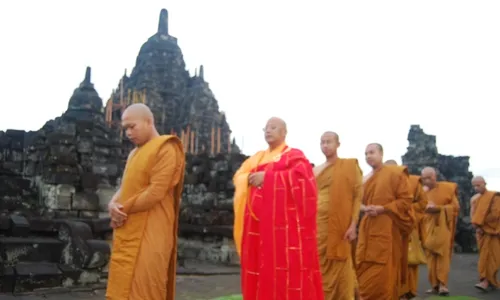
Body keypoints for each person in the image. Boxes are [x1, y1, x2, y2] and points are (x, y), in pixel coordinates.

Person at [232, 117, 323, 300]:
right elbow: (239, 177)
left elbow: (305, 183)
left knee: (284, 273)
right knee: (258, 269)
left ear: (284, 132)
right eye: (266, 128)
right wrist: (250, 178)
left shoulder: (293, 155)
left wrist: (268, 178)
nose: (268, 131)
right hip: (257, 228)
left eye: (273, 127)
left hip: (283, 232)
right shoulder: (256, 158)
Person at [105, 104, 186, 300]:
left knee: (145, 284)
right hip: (128, 226)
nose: (128, 133)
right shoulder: (134, 153)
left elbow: (155, 192)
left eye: (132, 126)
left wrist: (122, 209)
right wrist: (112, 204)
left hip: (152, 228)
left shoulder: (167, 148)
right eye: (125, 129)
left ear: (149, 122)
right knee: (122, 284)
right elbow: (125, 186)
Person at [356, 143, 414, 300]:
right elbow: (355, 202)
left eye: (372, 152)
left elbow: (406, 200)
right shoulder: (365, 179)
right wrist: (365, 208)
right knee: (363, 266)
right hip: (367, 227)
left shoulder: (395, 174)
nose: (368, 156)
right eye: (366, 153)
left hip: (387, 226)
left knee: (385, 273)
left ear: (381, 154)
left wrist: (383, 208)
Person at [314, 132, 362, 300]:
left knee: (342, 263)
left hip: (340, 225)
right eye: (322, 142)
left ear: (338, 144)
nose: (325, 145)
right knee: (318, 264)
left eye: (329, 142)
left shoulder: (349, 166)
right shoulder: (316, 170)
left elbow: (357, 196)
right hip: (317, 225)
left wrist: (353, 224)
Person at [385, 160, 428, 299]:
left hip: (407, 227)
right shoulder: (382, 183)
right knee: (390, 260)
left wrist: (406, 209)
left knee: (408, 261)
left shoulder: (413, 182)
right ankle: (393, 291)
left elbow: (423, 203)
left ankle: (407, 290)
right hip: (387, 227)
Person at [420, 167, 459, 296]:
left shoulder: (447, 188)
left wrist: (439, 208)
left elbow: (455, 207)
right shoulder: (421, 191)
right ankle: (434, 285)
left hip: (443, 226)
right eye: (424, 178)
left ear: (434, 176)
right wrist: (424, 205)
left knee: (442, 256)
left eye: (428, 178)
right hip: (427, 226)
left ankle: (443, 285)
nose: (426, 181)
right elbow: (414, 207)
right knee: (430, 258)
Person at [470, 176, 500, 291]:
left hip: (492, 232)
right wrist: (476, 226)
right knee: (483, 257)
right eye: (474, 186)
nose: (476, 188)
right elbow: (473, 215)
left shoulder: (494, 196)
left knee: (493, 258)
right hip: (481, 233)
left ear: (485, 183)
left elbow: (496, 214)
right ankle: (484, 281)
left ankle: (490, 280)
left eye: (478, 185)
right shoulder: (475, 199)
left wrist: (482, 225)